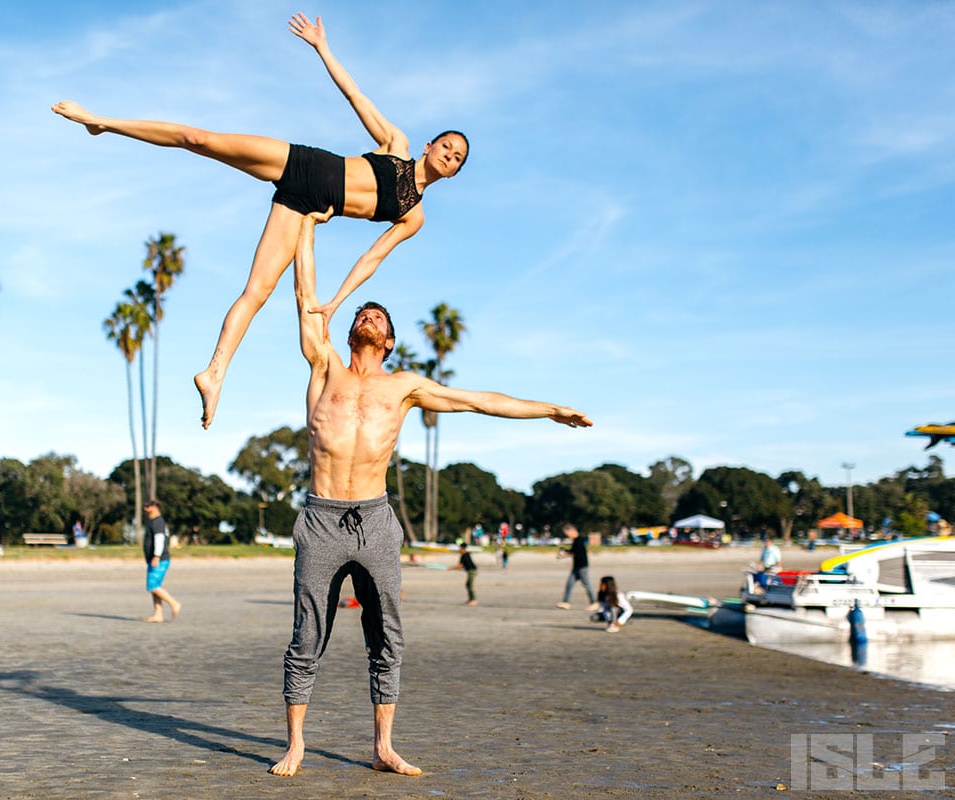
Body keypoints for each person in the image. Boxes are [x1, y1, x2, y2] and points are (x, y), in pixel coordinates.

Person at [270, 210, 591, 778]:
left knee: (386, 632)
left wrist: (549, 410)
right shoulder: (324, 369)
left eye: (378, 317)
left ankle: (383, 746)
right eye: (363, 312)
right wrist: (304, 221)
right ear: (350, 331)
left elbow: (478, 400)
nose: (368, 316)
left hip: (374, 518)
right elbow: (304, 293)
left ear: (388, 340)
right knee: (305, 634)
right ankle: (295, 743)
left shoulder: (405, 387)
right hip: (320, 517)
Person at [51, 13, 469, 430]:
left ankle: (214, 373)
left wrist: (337, 300)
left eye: (456, 159)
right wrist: (322, 47)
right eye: (446, 146)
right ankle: (102, 122)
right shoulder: (397, 144)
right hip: (301, 163)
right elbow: (355, 96)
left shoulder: (413, 216)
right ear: (431, 145)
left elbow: (371, 258)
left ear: (452, 173)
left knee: (258, 291)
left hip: (304, 208)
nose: (448, 155)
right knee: (201, 140)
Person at [142, 499, 182, 623]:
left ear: (155, 507)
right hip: (154, 559)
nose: (145, 508)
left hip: (159, 559)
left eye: (147, 506)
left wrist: (156, 556)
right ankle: (158, 614)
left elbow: (159, 539)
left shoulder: (158, 522)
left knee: (153, 586)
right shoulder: (154, 521)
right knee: (155, 587)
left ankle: (174, 604)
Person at [555, 525, 593, 610]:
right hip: (576, 567)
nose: (567, 536)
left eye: (567, 534)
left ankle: (593, 602)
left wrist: (565, 553)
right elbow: (573, 552)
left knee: (587, 585)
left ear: (572, 532)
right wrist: (566, 552)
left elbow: (575, 552)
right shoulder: (576, 541)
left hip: (582, 567)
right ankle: (566, 602)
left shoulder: (578, 541)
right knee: (569, 584)